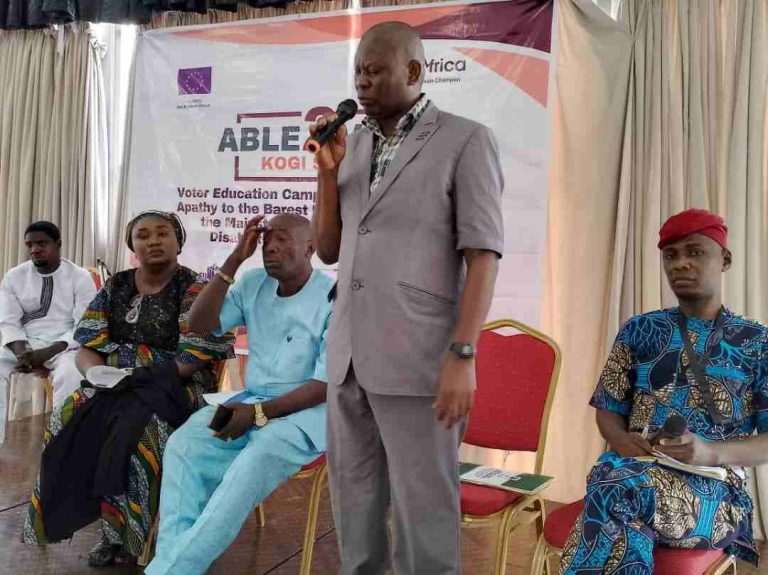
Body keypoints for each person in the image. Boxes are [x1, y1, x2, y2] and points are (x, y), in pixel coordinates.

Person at [311, 21, 503, 574]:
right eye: (358, 72)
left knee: (424, 517)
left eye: (375, 71)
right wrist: (326, 174)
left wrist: (462, 356)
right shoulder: (353, 143)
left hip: (421, 359)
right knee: (354, 508)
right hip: (348, 358)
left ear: (414, 72)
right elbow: (327, 250)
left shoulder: (465, 139)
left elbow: (483, 254)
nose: (363, 83)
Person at [559, 209, 768, 573]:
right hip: (633, 471)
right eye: (671, 255)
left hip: (713, 491)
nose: (681, 264)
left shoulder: (757, 341)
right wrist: (621, 440)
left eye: (695, 252)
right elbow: (608, 407)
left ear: (725, 260)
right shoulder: (640, 329)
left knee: (611, 491)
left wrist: (709, 451)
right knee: (622, 512)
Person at [21, 211, 234, 567]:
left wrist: (143, 376)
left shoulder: (194, 288)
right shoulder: (116, 286)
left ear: (178, 241)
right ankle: (109, 531)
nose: (153, 241)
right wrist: (96, 375)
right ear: (131, 245)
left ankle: (137, 537)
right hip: (115, 382)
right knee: (67, 416)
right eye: (143, 235)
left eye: (163, 233)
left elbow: (196, 356)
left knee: (141, 434)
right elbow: (87, 343)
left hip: (174, 384)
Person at [144, 213, 333, 575]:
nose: (271, 248)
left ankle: (167, 570)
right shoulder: (253, 281)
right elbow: (199, 324)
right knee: (185, 445)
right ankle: (175, 566)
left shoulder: (332, 296)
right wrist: (233, 261)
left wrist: (260, 414)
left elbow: (326, 385)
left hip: (305, 416)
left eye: (282, 240)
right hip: (249, 401)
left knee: (248, 467)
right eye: (265, 242)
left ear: (310, 247)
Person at [0, 221, 96, 408]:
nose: (34, 250)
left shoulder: (80, 276)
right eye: (30, 245)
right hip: (25, 344)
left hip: (66, 346)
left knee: (72, 375)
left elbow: (84, 324)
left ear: (58, 244)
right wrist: (23, 355)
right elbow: (8, 321)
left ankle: (62, 436)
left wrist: (48, 352)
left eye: (42, 244)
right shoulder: (14, 277)